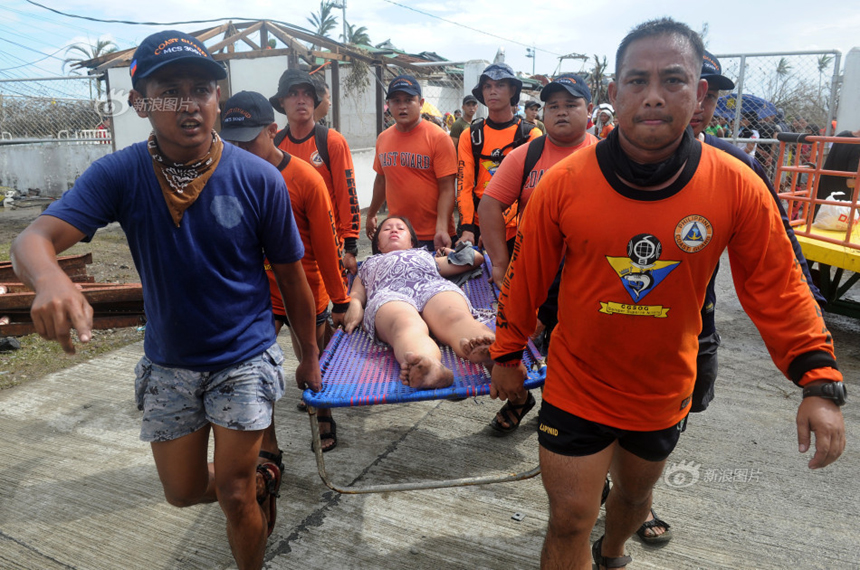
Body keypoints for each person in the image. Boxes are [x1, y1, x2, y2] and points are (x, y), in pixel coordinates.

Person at [489, 19, 845, 570]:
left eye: (673, 80)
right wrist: (506, 353)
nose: (653, 96)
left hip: (662, 390)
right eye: (637, 80)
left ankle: (613, 551)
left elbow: (777, 285)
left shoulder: (736, 185)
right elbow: (525, 278)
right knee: (569, 518)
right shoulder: (563, 183)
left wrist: (818, 380)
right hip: (576, 382)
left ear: (699, 93)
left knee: (632, 500)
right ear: (614, 94)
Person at [10, 30, 322, 570]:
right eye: (169, 90)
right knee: (180, 492)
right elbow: (31, 239)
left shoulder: (258, 179)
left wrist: (309, 354)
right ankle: (264, 479)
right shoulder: (121, 173)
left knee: (232, 493)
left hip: (244, 358)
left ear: (217, 98)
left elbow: (294, 280)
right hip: (169, 362)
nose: (189, 104)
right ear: (139, 102)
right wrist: (52, 280)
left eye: (201, 89)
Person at [221, 89, 357, 453]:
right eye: (232, 143)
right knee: (249, 370)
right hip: (259, 292)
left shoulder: (305, 179)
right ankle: (266, 446)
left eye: (249, 142)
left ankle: (325, 414)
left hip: (305, 288)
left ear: (271, 130)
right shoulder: (227, 175)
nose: (240, 152)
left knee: (313, 361)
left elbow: (328, 248)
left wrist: (341, 301)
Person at [478, 73, 597, 434]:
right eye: (553, 106)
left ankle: (561, 412)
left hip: (586, 279)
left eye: (571, 105)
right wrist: (500, 262)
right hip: (533, 274)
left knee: (573, 355)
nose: (561, 113)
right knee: (513, 344)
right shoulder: (527, 155)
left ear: (589, 111)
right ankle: (521, 399)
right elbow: (489, 205)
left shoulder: (606, 157)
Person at [344, 216, 493, 389]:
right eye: (386, 229)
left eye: (400, 228)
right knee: (404, 325)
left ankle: (482, 345)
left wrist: (447, 250)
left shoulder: (425, 256)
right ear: (378, 245)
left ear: (412, 242)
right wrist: (355, 305)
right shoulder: (368, 265)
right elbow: (356, 292)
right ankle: (428, 366)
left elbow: (475, 258)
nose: (393, 230)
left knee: (454, 315)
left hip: (431, 287)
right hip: (389, 295)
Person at [270, 69, 361, 274]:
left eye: (307, 94)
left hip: (327, 246)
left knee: (327, 304)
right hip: (286, 247)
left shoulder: (331, 141)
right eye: (293, 94)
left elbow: (348, 195)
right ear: (282, 101)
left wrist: (350, 247)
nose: (301, 100)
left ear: (314, 100)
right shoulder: (274, 143)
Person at [365, 75, 458, 251]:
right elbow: (381, 180)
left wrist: (441, 228)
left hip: (434, 236)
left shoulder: (438, 138)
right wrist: (371, 214)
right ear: (389, 105)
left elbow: (447, 188)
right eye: (396, 101)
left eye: (409, 100)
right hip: (400, 236)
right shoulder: (383, 138)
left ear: (421, 103)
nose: (402, 106)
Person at [456, 63, 542, 247]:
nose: (492, 91)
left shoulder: (530, 135)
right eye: (487, 86)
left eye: (499, 85)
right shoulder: (470, 135)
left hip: (517, 229)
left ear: (512, 90)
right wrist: (467, 228)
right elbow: (464, 185)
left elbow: (529, 191)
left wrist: (494, 227)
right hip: (476, 227)